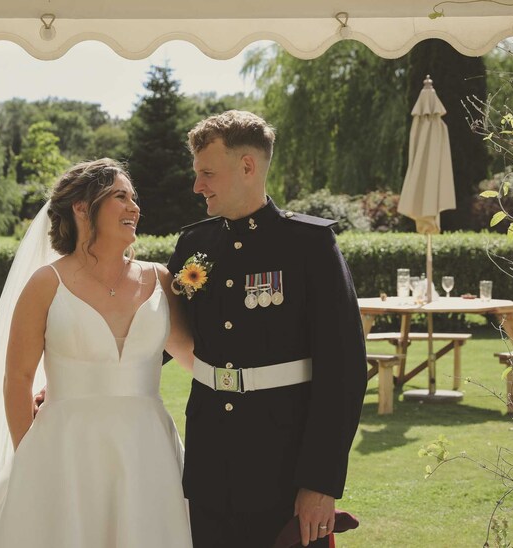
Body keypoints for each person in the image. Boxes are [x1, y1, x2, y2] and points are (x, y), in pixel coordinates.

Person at [0, 158, 194, 548]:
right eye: (120, 196)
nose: (134, 208)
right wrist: (29, 457)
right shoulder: (47, 283)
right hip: (64, 449)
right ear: (82, 207)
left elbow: (193, 356)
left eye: (134, 198)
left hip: (147, 449)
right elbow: (18, 379)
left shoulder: (161, 279)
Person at [167, 110, 367, 548]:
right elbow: (157, 335)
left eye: (207, 173)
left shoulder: (308, 244)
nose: (197, 186)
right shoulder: (193, 244)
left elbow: (344, 369)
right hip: (210, 467)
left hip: (285, 469)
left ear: (247, 166)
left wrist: (321, 482)